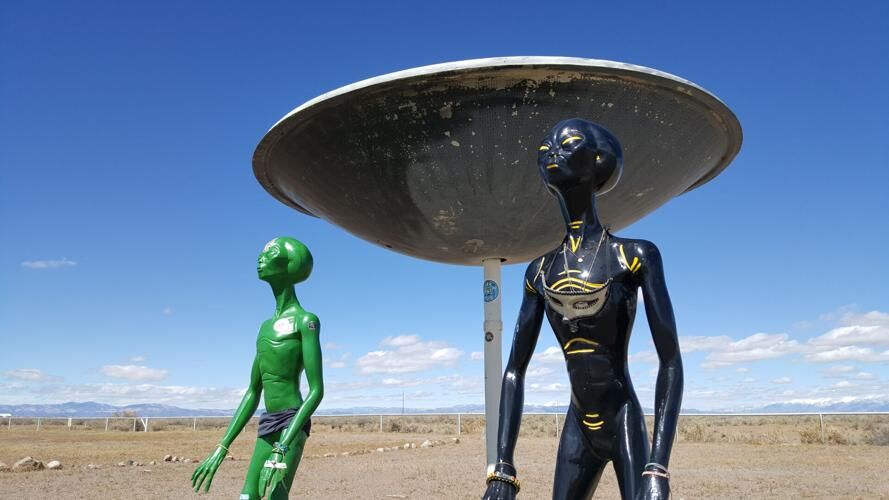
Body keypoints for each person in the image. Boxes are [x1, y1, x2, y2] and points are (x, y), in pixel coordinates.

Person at [483, 119, 683, 500]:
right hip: (578, 428)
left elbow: (670, 360)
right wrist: (503, 467)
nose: (553, 151)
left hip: (623, 420)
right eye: (545, 148)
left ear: (598, 158)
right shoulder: (540, 272)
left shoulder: (634, 256)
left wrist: (657, 466)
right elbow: (514, 371)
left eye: (569, 142)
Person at [191, 237, 324, 500]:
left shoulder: (306, 322)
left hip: (291, 423)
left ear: (289, 264)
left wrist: (284, 446)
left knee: (275, 494)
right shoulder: (264, 328)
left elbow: (316, 390)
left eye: (270, 253)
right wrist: (222, 447)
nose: (260, 258)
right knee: (247, 496)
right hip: (268, 422)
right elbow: (253, 392)